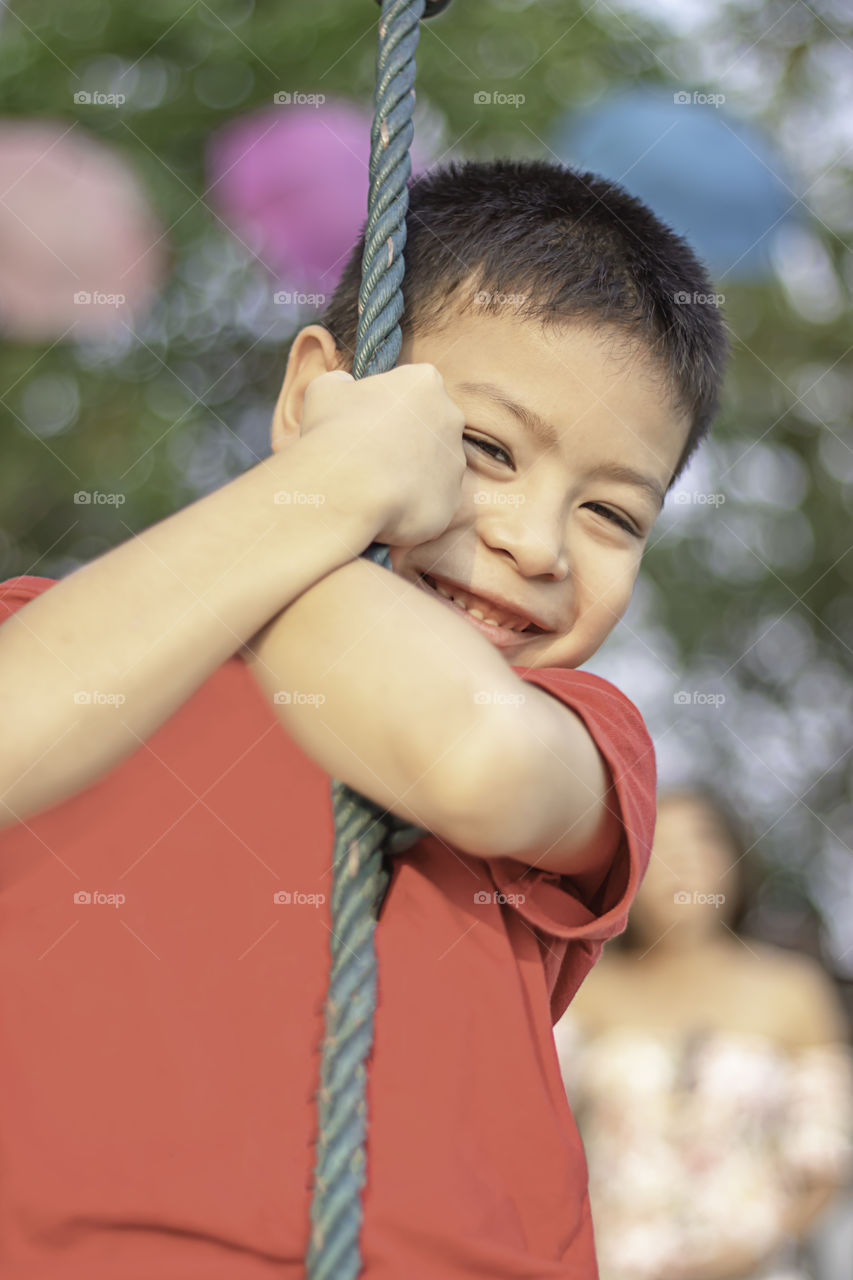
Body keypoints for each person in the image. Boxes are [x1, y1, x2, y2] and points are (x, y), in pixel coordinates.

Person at [0, 158, 728, 1277]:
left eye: (611, 512)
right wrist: (331, 487)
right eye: (484, 449)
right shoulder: (70, 638)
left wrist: (321, 495)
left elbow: (467, 752)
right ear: (314, 397)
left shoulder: (579, 734)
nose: (537, 543)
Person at [554, 786, 853, 1280]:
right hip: (611, 1268)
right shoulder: (583, 989)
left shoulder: (792, 992)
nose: (681, 865)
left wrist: (751, 1253)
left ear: (733, 860)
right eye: (658, 849)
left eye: (701, 844)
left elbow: (826, 1162)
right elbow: (533, 1141)